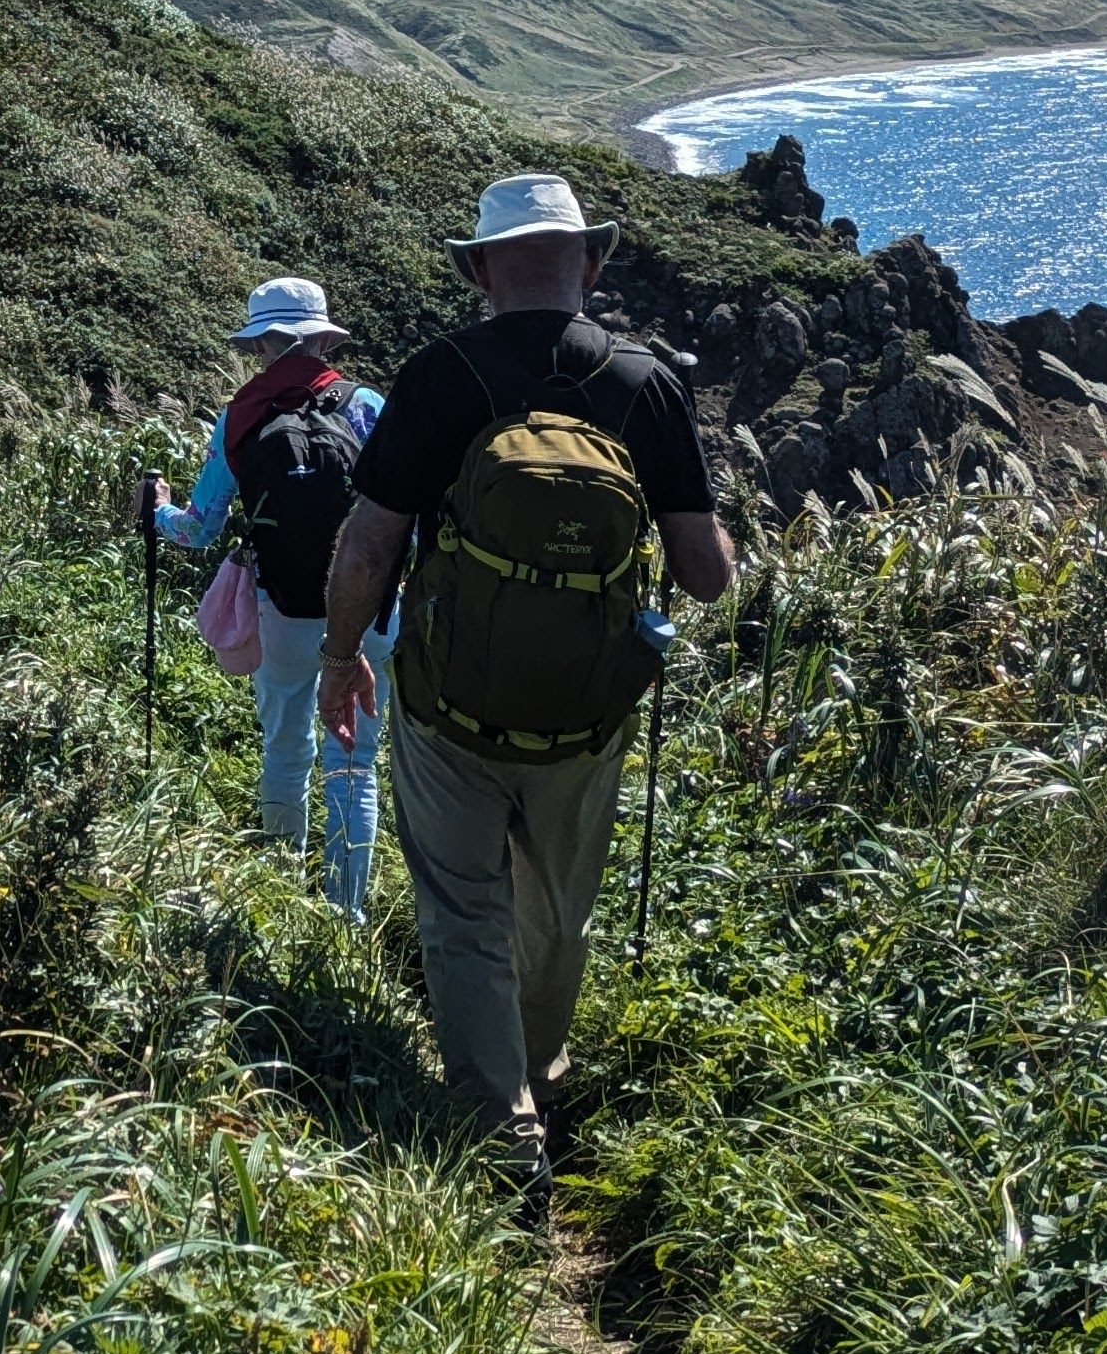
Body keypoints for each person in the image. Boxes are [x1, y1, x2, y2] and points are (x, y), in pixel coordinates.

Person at [317, 172, 736, 1186]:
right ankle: (538, 1080)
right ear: (588, 262)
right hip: (588, 716)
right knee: (555, 909)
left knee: (464, 913)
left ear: (478, 272)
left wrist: (339, 658)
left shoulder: (439, 374)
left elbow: (369, 547)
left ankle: (500, 1136)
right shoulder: (646, 383)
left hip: (446, 703)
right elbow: (707, 576)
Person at [148, 276, 388, 915]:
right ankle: (347, 914)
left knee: (286, 744)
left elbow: (199, 530)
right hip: (371, 611)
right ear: (321, 339)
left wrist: (158, 511)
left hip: (283, 606)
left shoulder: (241, 415)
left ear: (262, 345)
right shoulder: (367, 407)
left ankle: (280, 891)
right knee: (355, 761)